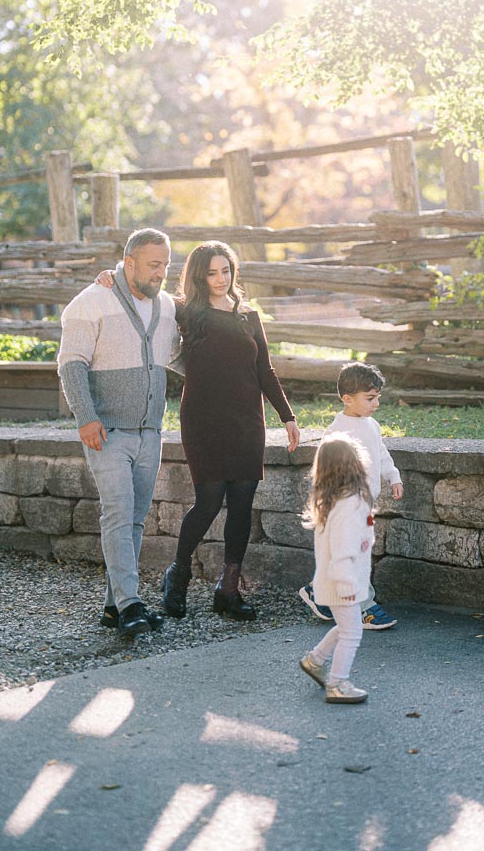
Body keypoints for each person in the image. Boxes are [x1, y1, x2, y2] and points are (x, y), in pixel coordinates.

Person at [97, 240, 300, 622]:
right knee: (208, 501)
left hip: (247, 421)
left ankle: (228, 588)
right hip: (203, 419)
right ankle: (180, 572)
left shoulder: (249, 316)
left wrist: (287, 417)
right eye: (211, 272)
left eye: (226, 271)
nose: (220, 279)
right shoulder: (184, 312)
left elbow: (265, 371)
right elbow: (141, 298)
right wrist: (112, 277)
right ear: (198, 275)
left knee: (241, 504)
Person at [58, 227, 178, 640]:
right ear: (128, 262)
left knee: (136, 520)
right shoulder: (91, 301)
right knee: (117, 515)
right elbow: (70, 363)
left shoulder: (166, 306)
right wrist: (85, 417)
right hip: (106, 431)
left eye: (165, 264)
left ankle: (114, 607)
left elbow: (177, 357)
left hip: (150, 431)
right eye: (153, 264)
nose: (161, 272)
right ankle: (131, 603)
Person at [299, 361, 403, 630]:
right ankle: (365, 607)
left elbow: (381, 453)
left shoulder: (372, 425)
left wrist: (394, 476)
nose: (376, 403)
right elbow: (325, 470)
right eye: (370, 398)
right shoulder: (337, 431)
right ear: (347, 399)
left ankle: (316, 591)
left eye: (378, 397)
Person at [298, 432, 375, 704]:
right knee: (353, 632)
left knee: (346, 626)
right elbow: (342, 550)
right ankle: (337, 683)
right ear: (354, 463)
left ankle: (315, 660)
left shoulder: (331, 500)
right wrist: (347, 585)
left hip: (332, 580)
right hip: (341, 581)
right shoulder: (349, 503)